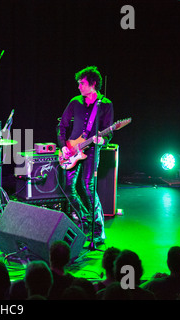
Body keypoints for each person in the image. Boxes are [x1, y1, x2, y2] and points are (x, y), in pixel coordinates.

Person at [57, 65, 114, 244]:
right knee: (68, 188)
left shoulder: (105, 105)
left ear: (93, 84)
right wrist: (63, 146)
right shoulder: (75, 102)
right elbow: (62, 126)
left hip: (91, 151)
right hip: (72, 150)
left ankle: (98, 230)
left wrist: (103, 141)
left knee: (88, 186)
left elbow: (110, 131)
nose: (79, 87)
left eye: (82, 83)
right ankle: (85, 220)